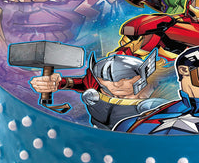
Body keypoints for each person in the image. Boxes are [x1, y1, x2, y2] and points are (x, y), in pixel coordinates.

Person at [29, 51, 165, 129]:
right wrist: (55, 83)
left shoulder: (154, 91)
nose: (117, 84)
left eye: (126, 78)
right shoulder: (94, 85)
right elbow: (77, 83)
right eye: (107, 79)